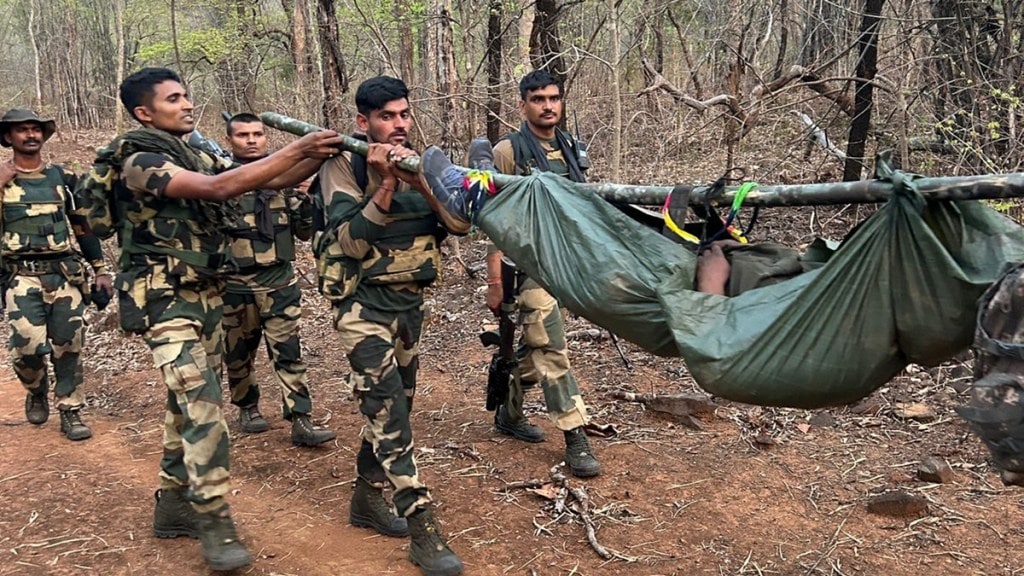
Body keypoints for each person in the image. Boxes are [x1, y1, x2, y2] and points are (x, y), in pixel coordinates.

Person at [93, 67, 342, 571]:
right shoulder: (139, 158)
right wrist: (296, 148)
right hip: (162, 299)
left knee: (184, 403)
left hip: (205, 293)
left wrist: (316, 157)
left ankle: (171, 504)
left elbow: (264, 179)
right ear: (145, 112)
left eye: (187, 95)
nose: (188, 104)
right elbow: (218, 188)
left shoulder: (193, 150)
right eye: (174, 99)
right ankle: (214, 516)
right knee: (204, 403)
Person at [316, 75, 467, 576]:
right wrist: (383, 182)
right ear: (364, 121)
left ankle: (366, 495)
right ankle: (423, 527)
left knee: (395, 402)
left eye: (404, 114)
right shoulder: (342, 164)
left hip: (409, 305)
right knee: (390, 412)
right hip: (362, 308)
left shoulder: (420, 162)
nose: (399, 125)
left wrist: (420, 177)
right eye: (387, 117)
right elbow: (352, 243)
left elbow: (459, 224)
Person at [480, 70, 601, 478]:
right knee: (550, 346)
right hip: (525, 266)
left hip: (567, 266)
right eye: (538, 99)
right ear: (523, 105)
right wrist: (495, 280)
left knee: (536, 347)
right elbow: (491, 219)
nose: (548, 105)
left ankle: (509, 412)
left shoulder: (572, 148)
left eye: (554, 98)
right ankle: (574, 435)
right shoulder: (507, 151)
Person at [221, 113, 335, 447]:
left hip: (279, 282)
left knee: (288, 351)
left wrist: (302, 199)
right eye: (243, 135)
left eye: (258, 134)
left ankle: (300, 417)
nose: (252, 140)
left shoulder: (283, 180)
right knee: (238, 352)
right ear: (230, 140)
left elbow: (302, 232)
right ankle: (247, 405)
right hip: (234, 285)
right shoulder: (219, 180)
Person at [0, 108, 112, 441]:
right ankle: (36, 389)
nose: (30, 135)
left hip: (64, 273)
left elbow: (83, 227)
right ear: (8, 137)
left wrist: (101, 270)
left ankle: (71, 410)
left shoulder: (62, 178)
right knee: (27, 347)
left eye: (36, 129)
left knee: (69, 345)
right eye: (22, 130)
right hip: (20, 276)